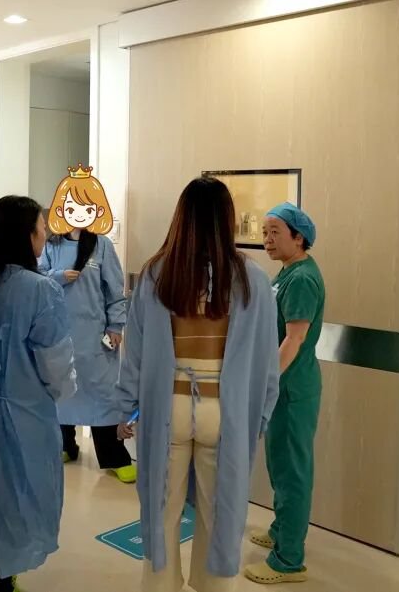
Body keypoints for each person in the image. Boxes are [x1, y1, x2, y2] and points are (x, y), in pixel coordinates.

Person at [117, 177, 279, 592]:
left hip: (166, 408)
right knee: (220, 515)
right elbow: (267, 363)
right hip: (224, 413)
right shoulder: (252, 280)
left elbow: (134, 355)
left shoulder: (156, 274)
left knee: (161, 513)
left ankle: (160, 585)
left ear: (182, 218)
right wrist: (259, 418)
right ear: (227, 220)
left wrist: (125, 409)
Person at [0, 195, 76, 592]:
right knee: (11, 499)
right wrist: (63, 393)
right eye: (41, 228)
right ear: (26, 236)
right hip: (19, 417)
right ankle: (2, 582)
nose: (45, 235)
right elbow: (55, 364)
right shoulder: (40, 290)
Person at [244, 203, 325, 586]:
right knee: (279, 465)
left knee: (292, 472)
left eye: (275, 231)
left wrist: (267, 383)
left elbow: (294, 340)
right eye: (264, 232)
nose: (267, 239)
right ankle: (281, 530)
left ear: (299, 236)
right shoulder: (287, 272)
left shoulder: (303, 279)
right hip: (285, 388)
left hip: (293, 391)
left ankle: (289, 561)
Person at [39, 164, 133, 482]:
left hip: (94, 338)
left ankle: (113, 456)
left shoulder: (101, 245)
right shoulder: (51, 244)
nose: (79, 213)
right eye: (72, 206)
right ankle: (65, 445)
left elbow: (115, 290)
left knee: (101, 396)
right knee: (61, 391)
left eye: (86, 207)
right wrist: (57, 276)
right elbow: (36, 278)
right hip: (59, 334)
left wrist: (116, 326)